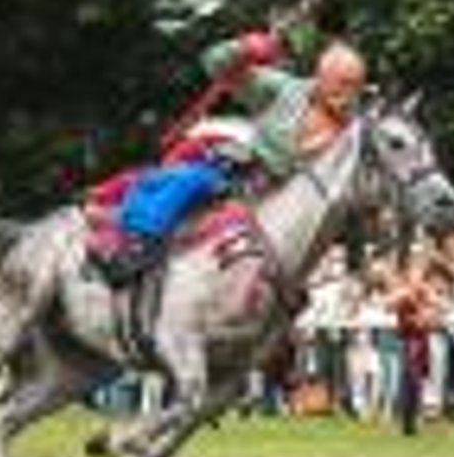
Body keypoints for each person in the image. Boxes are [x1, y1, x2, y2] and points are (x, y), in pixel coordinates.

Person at [96, 31, 369, 286]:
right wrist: (244, 48)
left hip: (297, 211)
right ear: (321, 77)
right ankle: (136, 246)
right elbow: (214, 64)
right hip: (242, 179)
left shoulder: (357, 131)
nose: (348, 95)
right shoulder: (287, 90)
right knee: (185, 179)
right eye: (342, 83)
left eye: (355, 86)